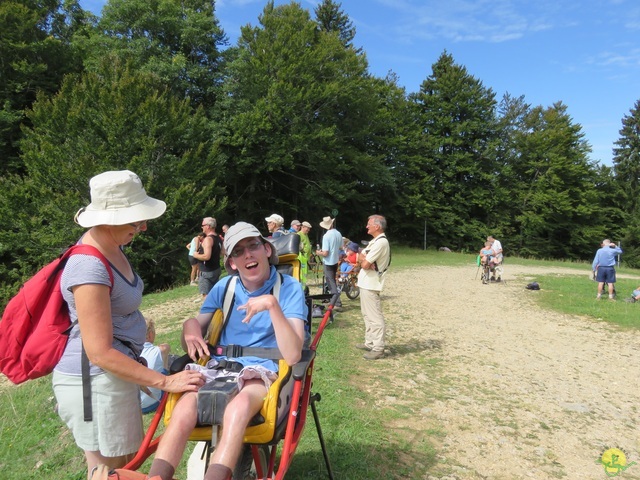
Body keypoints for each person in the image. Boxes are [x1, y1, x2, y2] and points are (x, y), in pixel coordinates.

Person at [53, 170, 204, 479]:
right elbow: (99, 352)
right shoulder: (88, 266)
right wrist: (163, 381)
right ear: (109, 219)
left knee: (122, 463)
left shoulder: (112, 247)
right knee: (108, 473)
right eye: (136, 219)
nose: (144, 226)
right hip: (93, 382)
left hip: (111, 378)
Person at [146, 222, 306, 480]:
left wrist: (272, 306)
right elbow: (197, 324)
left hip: (262, 370)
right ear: (232, 263)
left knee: (239, 407)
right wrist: (189, 328)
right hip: (219, 367)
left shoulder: (288, 288)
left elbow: (294, 355)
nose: (248, 255)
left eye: (253, 246)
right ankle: (156, 477)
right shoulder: (225, 287)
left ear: (267, 249)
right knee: (184, 408)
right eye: (238, 252)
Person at [356, 215, 391, 360]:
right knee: (367, 315)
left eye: (369, 224)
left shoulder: (381, 243)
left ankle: (378, 347)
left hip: (371, 283)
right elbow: (360, 257)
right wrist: (364, 260)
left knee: (374, 316)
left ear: (377, 226)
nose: (366, 226)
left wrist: (364, 261)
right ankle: (370, 342)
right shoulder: (375, 241)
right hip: (366, 282)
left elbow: (363, 263)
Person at [140, 317, 171, 414]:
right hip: (154, 402)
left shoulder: (127, 353)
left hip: (134, 406)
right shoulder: (161, 350)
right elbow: (166, 346)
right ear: (150, 334)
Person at [193, 217, 224, 301]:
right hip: (216, 269)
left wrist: (195, 255)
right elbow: (222, 253)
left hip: (207, 271)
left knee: (206, 296)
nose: (201, 227)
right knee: (215, 294)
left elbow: (206, 256)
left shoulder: (208, 239)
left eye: (203, 225)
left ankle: (210, 312)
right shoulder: (219, 238)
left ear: (208, 226)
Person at [316, 216, 343, 309]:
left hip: (328, 262)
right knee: (332, 281)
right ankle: (335, 301)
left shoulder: (326, 236)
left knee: (331, 282)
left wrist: (318, 253)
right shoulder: (338, 233)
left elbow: (325, 253)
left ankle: (337, 303)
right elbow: (340, 247)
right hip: (335, 260)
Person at [297, 221, 313, 288]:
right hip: (301, 258)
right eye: (307, 228)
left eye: (309, 229)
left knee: (305, 275)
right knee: (301, 274)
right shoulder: (298, 235)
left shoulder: (306, 235)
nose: (308, 230)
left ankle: (303, 287)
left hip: (306, 258)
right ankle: (301, 287)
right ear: (303, 227)